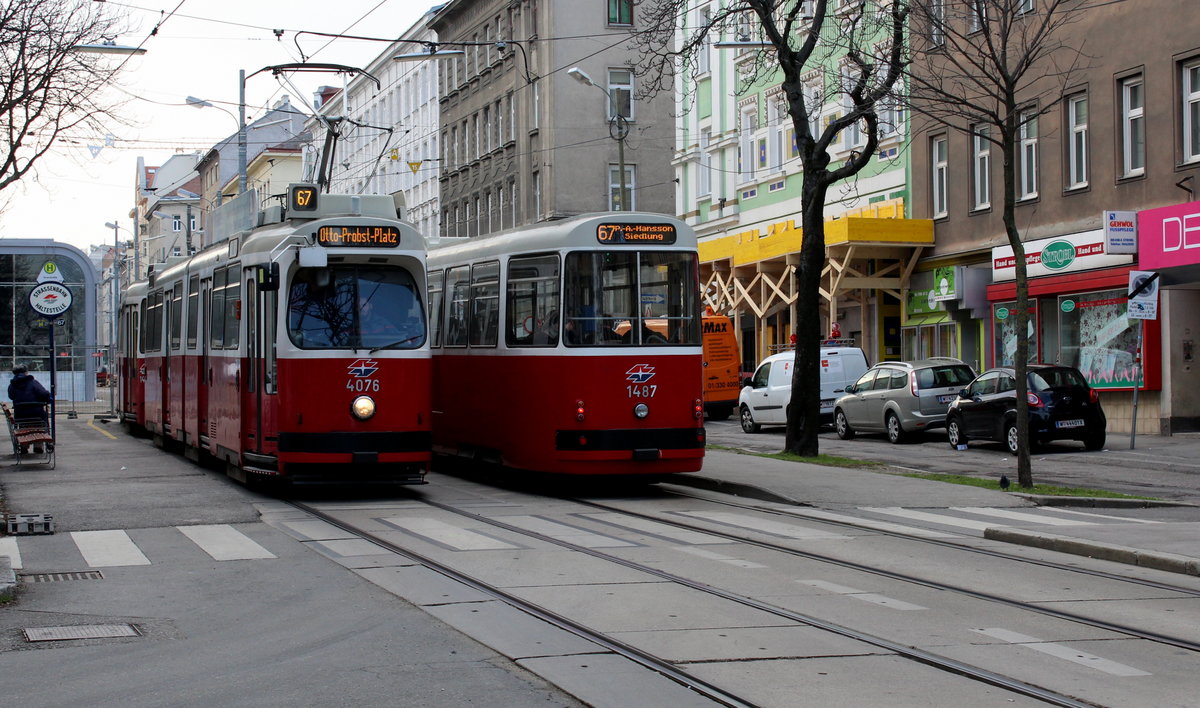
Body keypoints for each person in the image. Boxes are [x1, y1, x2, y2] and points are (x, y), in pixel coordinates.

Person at [8, 364, 51, 453]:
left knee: (24, 424)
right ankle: (38, 445)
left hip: (20, 415)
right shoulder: (33, 382)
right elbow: (44, 394)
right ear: (26, 372)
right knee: (40, 422)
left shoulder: (12, 385)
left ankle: (24, 445)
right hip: (37, 414)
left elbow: (11, 396)